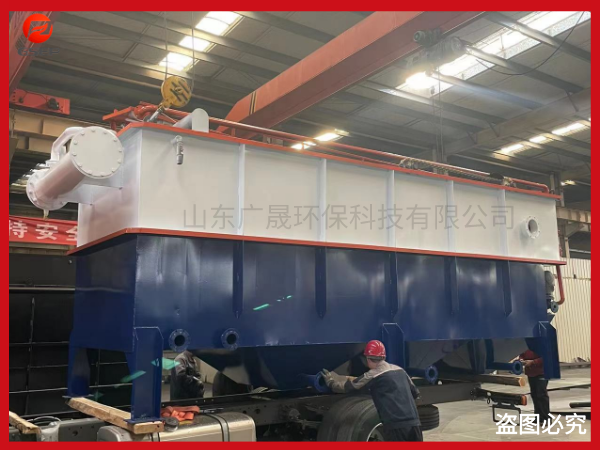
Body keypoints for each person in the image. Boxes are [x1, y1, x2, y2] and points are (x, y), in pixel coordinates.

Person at [322, 340, 423, 442]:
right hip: (415, 424)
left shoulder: (373, 375)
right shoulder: (400, 370)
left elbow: (349, 386)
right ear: (384, 357)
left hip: (396, 426)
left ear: (368, 359)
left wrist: (331, 382)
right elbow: (415, 393)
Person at [516, 350, 549, 425]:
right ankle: (538, 418)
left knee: (541, 395)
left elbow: (546, 357)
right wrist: (521, 360)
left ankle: (546, 418)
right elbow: (522, 354)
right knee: (534, 395)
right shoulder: (526, 346)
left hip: (542, 372)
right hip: (531, 373)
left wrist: (533, 362)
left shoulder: (541, 345)